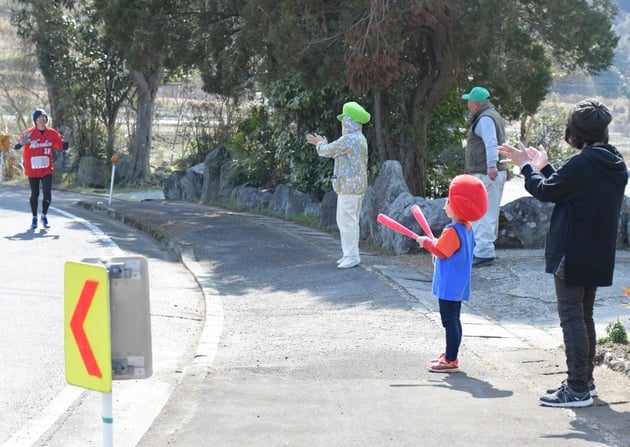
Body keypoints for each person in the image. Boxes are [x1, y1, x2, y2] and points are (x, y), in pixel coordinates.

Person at [498, 98, 628, 408]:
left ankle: (577, 389)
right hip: (597, 253)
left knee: (571, 318)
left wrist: (526, 166)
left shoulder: (582, 164)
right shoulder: (614, 162)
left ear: (577, 133)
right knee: (584, 317)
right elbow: (570, 189)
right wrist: (545, 168)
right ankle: (585, 382)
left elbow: (546, 191)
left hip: (572, 252)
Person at [417, 174, 488, 372]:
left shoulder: (452, 230)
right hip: (459, 282)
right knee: (454, 319)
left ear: (458, 206)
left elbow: (441, 250)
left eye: (449, 200)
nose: (445, 204)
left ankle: (450, 359)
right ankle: (451, 355)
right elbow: (448, 250)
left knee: (449, 321)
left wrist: (426, 243)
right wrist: (435, 245)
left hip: (449, 284)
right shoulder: (467, 228)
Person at [306, 101, 369, 269]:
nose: (342, 122)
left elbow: (326, 151)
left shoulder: (349, 139)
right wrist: (325, 144)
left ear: (348, 120)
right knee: (350, 222)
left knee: (346, 222)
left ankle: (351, 256)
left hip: (348, 188)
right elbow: (338, 152)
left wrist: (319, 143)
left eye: (344, 119)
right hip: (356, 187)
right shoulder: (359, 139)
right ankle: (350, 254)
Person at [461, 86, 508, 267]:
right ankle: (484, 249)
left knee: (483, 212)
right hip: (493, 172)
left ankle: (484, 252)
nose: (468, 105)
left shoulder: (485, 118)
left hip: (486, 173)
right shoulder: (492, 115)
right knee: (489, 211)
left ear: (476, 103)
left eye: (469, 101)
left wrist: (491, 166)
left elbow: (491, 143)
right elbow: (500, 143)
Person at [13, 108, 69, 229]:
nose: (42, 119)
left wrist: (67, 140)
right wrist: (22, 143)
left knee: (47, 194)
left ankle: (44, 215)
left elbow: (63, 146)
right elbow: (16, 146)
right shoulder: (29, 133)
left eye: (44, 117)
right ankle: (34, 217)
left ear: (46, 119)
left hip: (46, 168)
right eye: (39, 117)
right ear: (35, 120)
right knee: (35, 194)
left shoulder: (52, 133)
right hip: (33, 169)